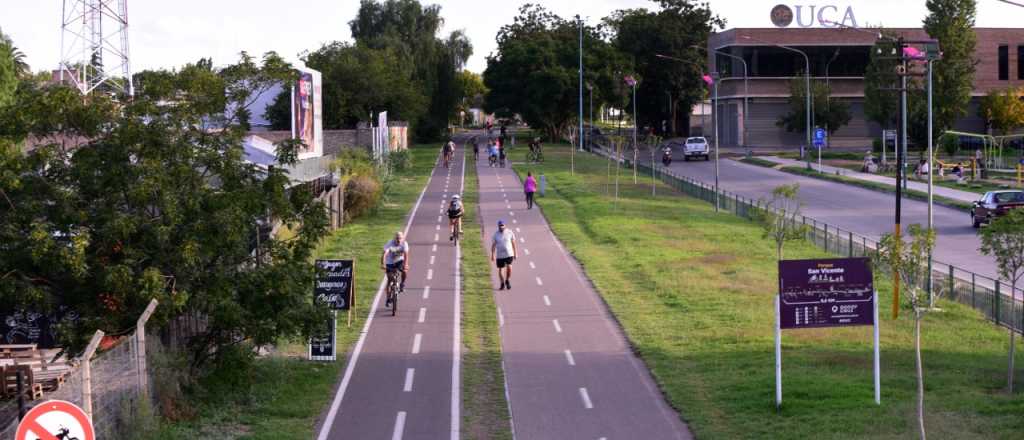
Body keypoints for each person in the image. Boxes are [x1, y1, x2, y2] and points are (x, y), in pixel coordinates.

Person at [381, 231, 410, 305]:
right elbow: (384, 254)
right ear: (394, 238)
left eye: (400, 238)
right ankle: (388, 298)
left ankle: (402, 284)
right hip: (390, 263)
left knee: (405, 271)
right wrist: (383, 264)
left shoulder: (404, 244)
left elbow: (406, 255)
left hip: (399, 261)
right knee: (390, 280)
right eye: (397, 238)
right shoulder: (390, 243)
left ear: (403, 238)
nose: (398, 240)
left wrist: (405, 264)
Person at [490, 220, 517, 290]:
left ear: (505, 225)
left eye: (502, 225)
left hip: (509, 254)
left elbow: (513, 243)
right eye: (500, 226)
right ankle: (502, 283)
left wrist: (515, 253)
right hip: (500, 255)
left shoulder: (510, 232)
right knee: (501, 270)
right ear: (498, 226)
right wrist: (492, 255)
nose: (501, 227)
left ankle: (507, 280)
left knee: (509, 268)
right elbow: (493, 245)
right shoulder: (495, 234)